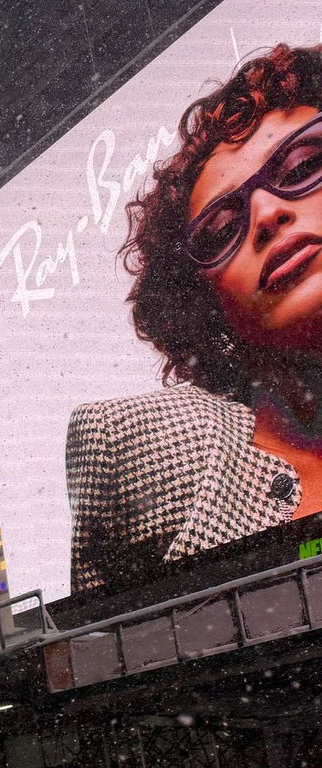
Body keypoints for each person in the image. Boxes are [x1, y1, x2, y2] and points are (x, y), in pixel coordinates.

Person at [67, 45, 322, 592]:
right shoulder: (140, 454)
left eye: (303, 167)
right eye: (220, 231)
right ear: (207, 304)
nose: (266, 213)